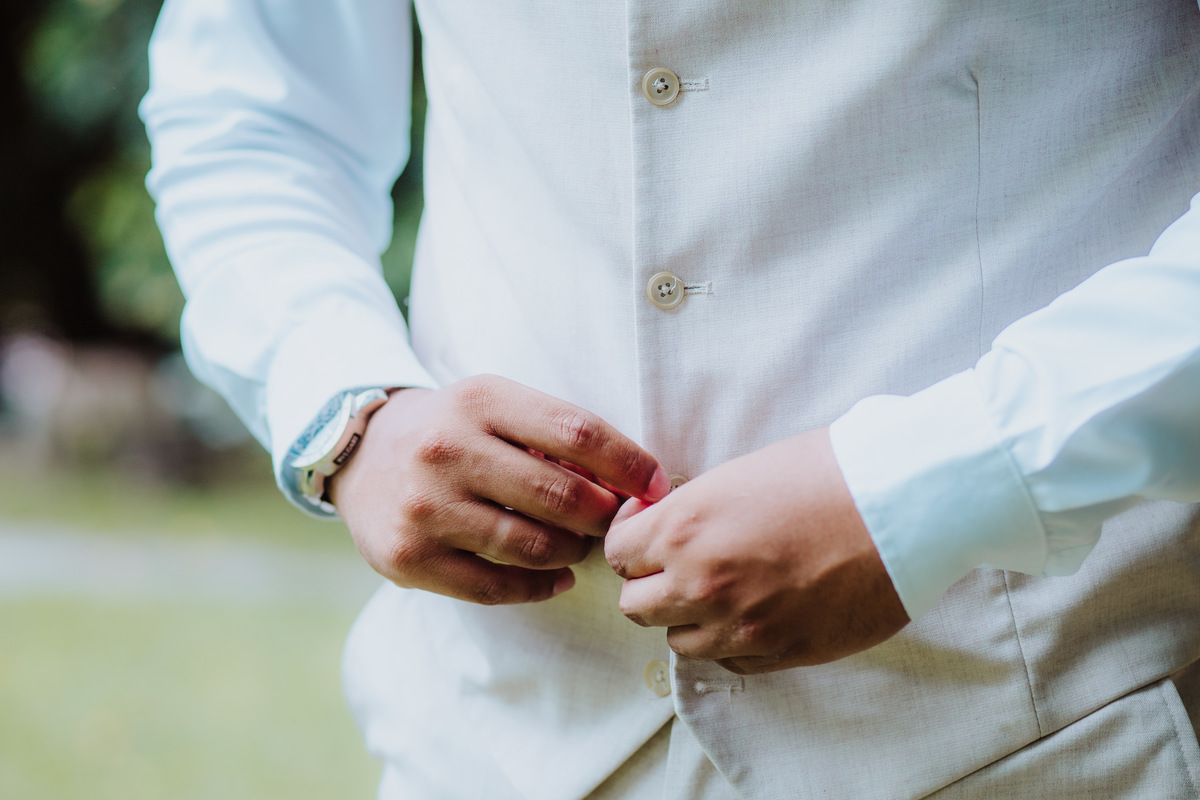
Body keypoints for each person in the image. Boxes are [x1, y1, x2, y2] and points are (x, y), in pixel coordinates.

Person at [141, 1, 1200, 797]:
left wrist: (959, 478)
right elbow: (250, 105)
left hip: (1061, 729)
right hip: (490, 735)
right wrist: (348, 407)